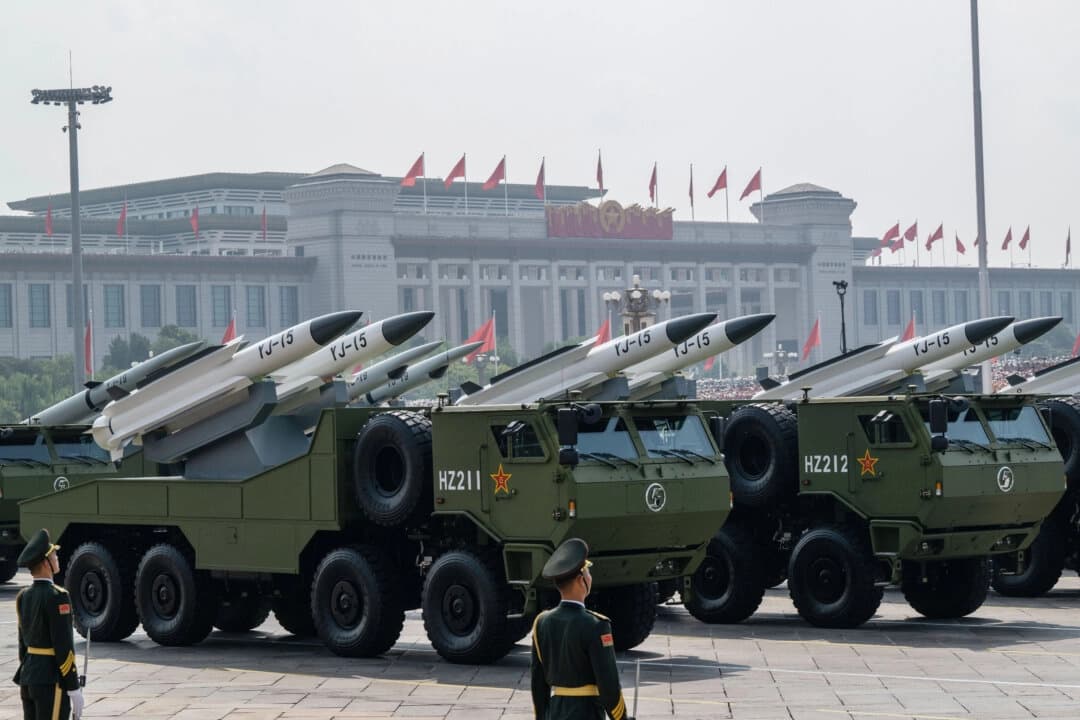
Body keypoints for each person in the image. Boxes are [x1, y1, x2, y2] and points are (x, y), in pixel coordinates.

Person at [530, 538, 633, 720]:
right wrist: (621, 718)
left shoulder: (541, 622)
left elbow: (538, 684)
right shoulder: (596, 625)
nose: (590, 578)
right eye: (588, 573)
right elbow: (608, 684)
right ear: (580, 580)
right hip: (587, 712)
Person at [13, 528, 84, 720]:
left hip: (28, 677)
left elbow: (22, 646)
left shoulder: (23, 596)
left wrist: (31, 671)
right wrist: (73, 686)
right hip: (51, 680)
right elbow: (63, 646)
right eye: (54, 555)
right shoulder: (58, 596)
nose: (57, 558)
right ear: (46, 563)